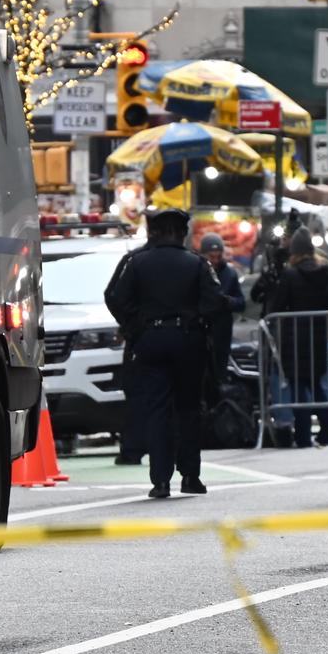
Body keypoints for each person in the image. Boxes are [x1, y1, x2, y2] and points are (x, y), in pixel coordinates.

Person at [105, 205, 227, 499]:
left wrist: (136, 327)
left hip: (151, 341)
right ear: (182, 233)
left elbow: (114, 297)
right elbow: (215, 302)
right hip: (188, 341)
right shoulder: (197, 264)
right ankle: (190, 476)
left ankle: (160, 481)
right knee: (188, 409)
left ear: (155, 232)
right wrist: (196, 319)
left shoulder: (135, 262)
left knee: (157, 411)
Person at [258, 227, 328, 448]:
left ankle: (303, 435)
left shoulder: (290, 274)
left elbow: (277, 306)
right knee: (319, 384)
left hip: (293, 340)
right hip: (318, 336)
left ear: (294, 252)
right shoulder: (326, 271)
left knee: (298, 387)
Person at [199, 232, 245, 394]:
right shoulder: (196, 271)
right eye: (211, 257)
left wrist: (227, 301)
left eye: (218, 256)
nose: (215, 261)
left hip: (222, 330)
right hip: (200, 330)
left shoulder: (229, 273)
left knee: (219, 369)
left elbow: (241, 302)